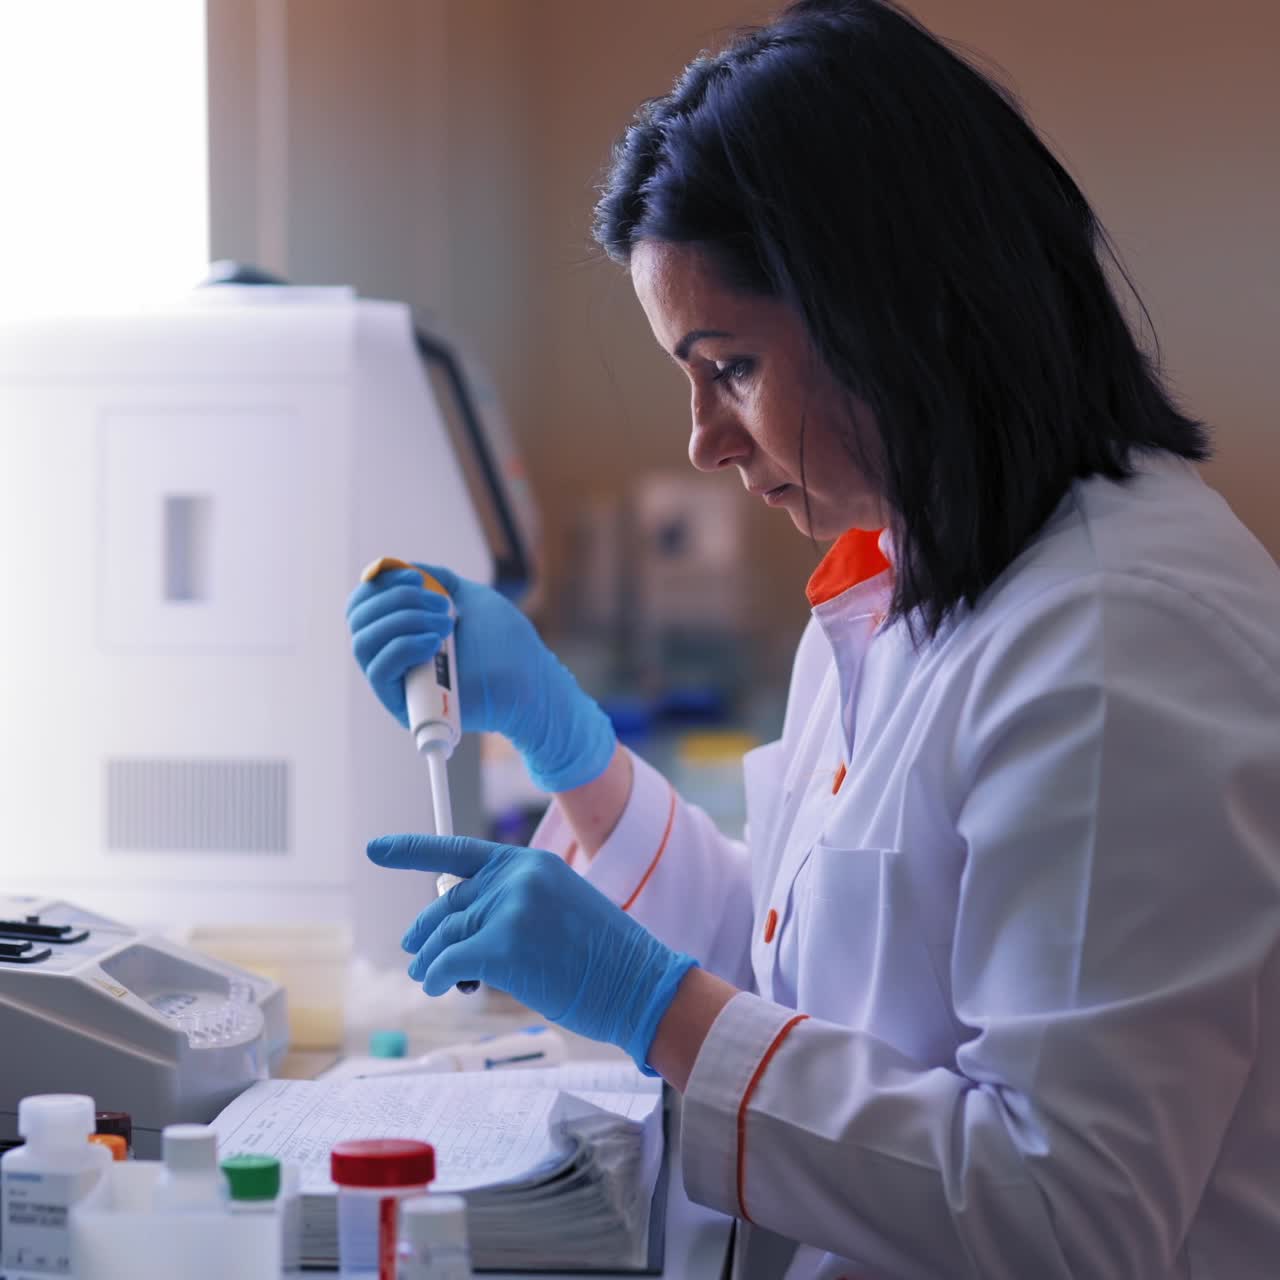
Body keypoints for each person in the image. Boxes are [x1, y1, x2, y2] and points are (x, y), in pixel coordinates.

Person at [344, 2, 1280, 1275]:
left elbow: (1071, 1217)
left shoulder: (1120, 648)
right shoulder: (907, 573)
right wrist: (575, 755)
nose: (700, 439)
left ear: (899, 313)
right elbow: (802, 979)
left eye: (727, 365)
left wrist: (648, 1001)